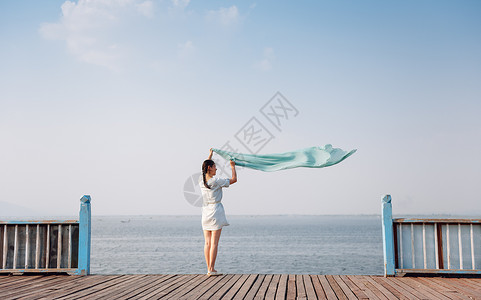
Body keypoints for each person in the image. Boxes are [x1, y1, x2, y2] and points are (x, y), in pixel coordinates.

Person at [199, 148, 237, 276]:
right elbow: (233, 180)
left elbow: (204, 167)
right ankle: (212, 269)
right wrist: (232, 166)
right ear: (209, 168)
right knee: (214, 242)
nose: (216, 169)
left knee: (207, 242)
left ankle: (208, 269)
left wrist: (210, 154)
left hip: (205, 212)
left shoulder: (201, 180)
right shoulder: (216, 181)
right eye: (214, 167)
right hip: (215, 211)